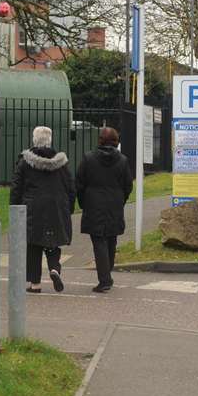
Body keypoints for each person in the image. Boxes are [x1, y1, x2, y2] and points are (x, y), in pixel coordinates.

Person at [9, 125, 74, 293]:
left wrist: (14, 209)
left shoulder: (25, 162)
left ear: (34, 139)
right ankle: (54, 269)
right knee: (52, 241)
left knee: (33, 244)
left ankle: (35, 283)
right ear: (50, 140)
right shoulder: (61, 163)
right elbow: (70, 187)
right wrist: (70, 208)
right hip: (56, 206)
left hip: (33, 207)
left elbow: (17, 187)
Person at [75, 126, 133, 294]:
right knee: (111, 239)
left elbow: (79, 183)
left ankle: (105, 279)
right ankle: (107, 273)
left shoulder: (88, 159)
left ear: (100, 140)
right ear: (116, 141)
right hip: (114, 204)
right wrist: (121, 200)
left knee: (98, 240)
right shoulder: (123, 161)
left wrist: (83, 202)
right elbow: (128, 185)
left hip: (93, 203)